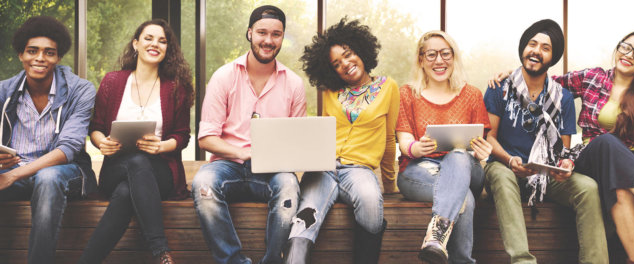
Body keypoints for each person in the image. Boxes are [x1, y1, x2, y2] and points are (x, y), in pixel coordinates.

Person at [490, 31, 634, 264]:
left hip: (627, 167)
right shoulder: (594, 77)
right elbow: (546, 83)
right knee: (608, 142)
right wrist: (514, 73)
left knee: (621, 188)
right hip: (593, 155)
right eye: (626, 47)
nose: (630, 55)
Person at [192, 5, 306, 264]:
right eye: (262, 32)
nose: (268, 40)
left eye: (276, 34)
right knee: (203, 184)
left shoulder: (294, 84)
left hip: (272, 171)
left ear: (282, 37)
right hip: (227, 166)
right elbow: (206, 138)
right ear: (249, 33)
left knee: (289, 185)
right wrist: (243, 152)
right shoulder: (223, 77)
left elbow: (298, 141)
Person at [77, 19, 193, 264]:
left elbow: (183, 135)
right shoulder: (112, 81)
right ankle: (161, 251)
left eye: (162, 41)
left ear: (167, 49)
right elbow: (96, 128)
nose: (155, 44)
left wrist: (163, 145)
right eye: (149, 38)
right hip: (115, 169)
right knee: (129, 174)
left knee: (127, 187)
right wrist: (102, 143)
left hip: (160, 171)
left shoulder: (176, 87)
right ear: (136, 44)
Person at [283, 18, 398, 264]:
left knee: (370, 200)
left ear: (361, 51)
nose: (345, 64)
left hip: (359, 169)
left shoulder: (389, 88)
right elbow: (321, 133)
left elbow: (389, 139)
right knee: (305, 216)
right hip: (323, 168)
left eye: (348, 55)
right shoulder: (329, 92)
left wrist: (390, 183)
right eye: (336, 63)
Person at [0, 16, 96, 264]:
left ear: (58, 57)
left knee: (48, 176)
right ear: (21, 54)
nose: (40, 58)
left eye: (49, 53)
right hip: (15, 169)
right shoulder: (4, 92)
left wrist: (11, 175)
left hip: (65, 173)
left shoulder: (81, 90)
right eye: (32, 51)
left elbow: (69, 148)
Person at [395, 30, 492, 264]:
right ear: (421, 60)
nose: (439, 61)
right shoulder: (407, 94)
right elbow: (405, 140)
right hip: (419, 170)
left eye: (445, 54)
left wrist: (483, 154)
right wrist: (416, 148)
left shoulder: (472, 95)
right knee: (464, 199)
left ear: (454, 57)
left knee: (458, 155)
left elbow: (482, 143)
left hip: (467, 169)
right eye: (431, 55)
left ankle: (436, 234)